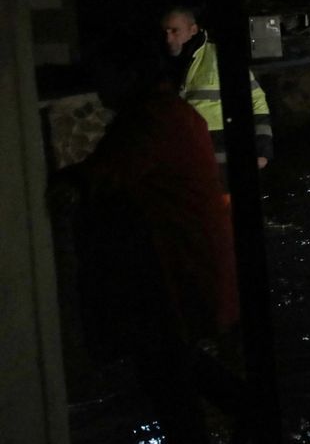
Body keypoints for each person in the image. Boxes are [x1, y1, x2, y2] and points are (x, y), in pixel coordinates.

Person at [62, 39, 242, 443]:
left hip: (172, 270)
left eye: (104, 75)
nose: (98, 85)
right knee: (174, 364)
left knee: (167, 375)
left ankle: (248, 416)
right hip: (184, 264)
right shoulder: (167, 114)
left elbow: (102, 175)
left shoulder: (150, 120)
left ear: (129, 75)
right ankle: (255, 416)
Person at [161, 6, 273, 180]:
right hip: (182, 168)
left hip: (224, 169)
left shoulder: (221, 58)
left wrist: (262, 150)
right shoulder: (160, 66)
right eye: (165, 32)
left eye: (175, 31)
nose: (168, 38)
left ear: (193, 30)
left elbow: (257, 102)